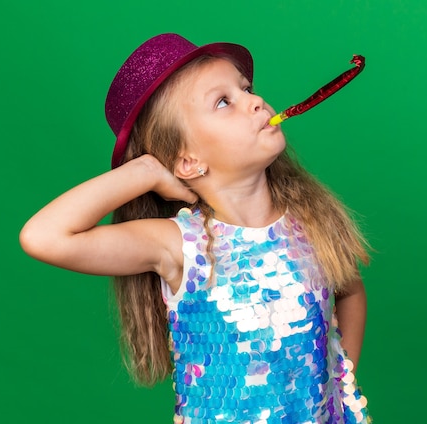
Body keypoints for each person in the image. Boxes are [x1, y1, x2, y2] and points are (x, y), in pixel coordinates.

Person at [20, 33, 371, 423]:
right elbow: (43, 236)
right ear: (188, 162)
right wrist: (145, 171)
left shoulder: (310, 222)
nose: (256, 101)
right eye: (224, 102)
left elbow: (350, 292)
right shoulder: (179, 245)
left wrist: (340, 386)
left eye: (246, 89)